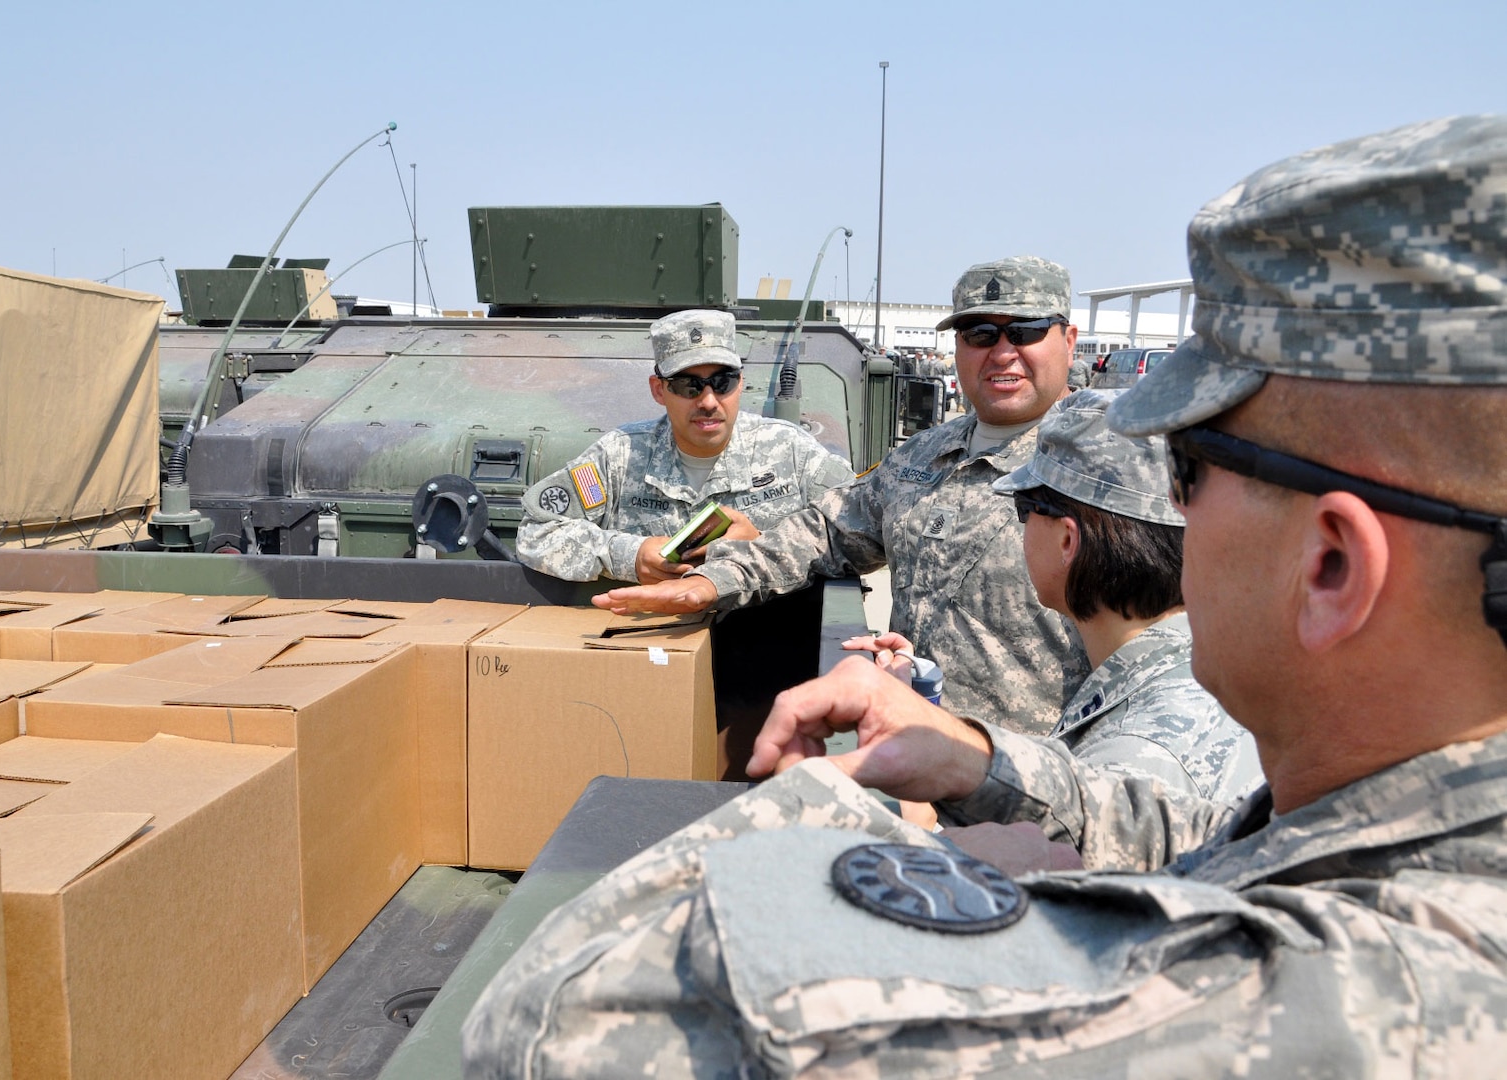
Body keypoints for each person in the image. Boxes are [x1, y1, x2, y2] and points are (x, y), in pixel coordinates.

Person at [462, 115, 1507, 1075]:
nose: (1000, 351)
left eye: (1187, 479)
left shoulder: (1326, 992)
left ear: (1332, 566)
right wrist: (969, 755)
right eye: (978, 332)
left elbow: (544, 1027)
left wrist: (822, 818)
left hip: (998, 865)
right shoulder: (1357, 811)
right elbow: (1178, 822)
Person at [593, 257, 1091, 734]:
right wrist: (712, 581)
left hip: (1038, 785)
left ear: (1068, 340)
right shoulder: (922, 456)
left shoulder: (1109, 464)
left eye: (1025, 331)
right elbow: (825, 532)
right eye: (979, 334)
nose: (1002, 352)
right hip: (910, 755)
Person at [854, 387, 1262, 800]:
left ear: (1068, 541)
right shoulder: (1215, 673)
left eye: (1025, 507)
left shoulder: (1130, 761)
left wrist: (915, 808)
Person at [516, 308, 854, 583]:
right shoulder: (619, 457)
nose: (708, 401)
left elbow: (858, 535)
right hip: (654, 647)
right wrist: (627, 555)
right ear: (659, 390)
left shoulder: (792, 452)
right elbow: (536, 533)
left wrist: (764, 547)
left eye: (722, 382)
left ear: (741, 384)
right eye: (688, 385)